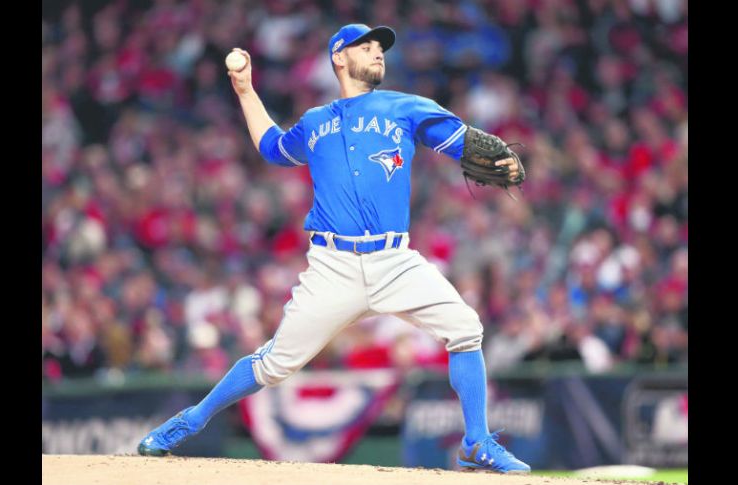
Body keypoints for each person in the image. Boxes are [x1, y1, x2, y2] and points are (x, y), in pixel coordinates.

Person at [137, 23, 530, 474]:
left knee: (465, 329)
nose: (378, 52)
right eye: (367, 46)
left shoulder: (405, 107)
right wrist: (245, 91)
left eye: (380, 47)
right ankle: (189, 421)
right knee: (274, 365)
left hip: (395, 261)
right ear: (339, 57)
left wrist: (492, 154)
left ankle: (477, 442)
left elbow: (464, 141)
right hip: (333, 267)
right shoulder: (314, 121)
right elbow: (272, 147)